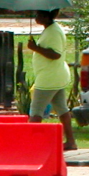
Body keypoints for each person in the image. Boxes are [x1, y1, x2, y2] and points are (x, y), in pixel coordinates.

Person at [27, 8, 78, 150]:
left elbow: (55, 54)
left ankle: (30, 145)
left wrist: (35, 48)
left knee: (36, 111)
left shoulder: (53, 32)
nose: (36, 17)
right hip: (55, 76)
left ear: (47, 16)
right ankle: (71, 142)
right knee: (62, 109)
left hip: (48, 78)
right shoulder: (51, 29)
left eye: (39, 15)